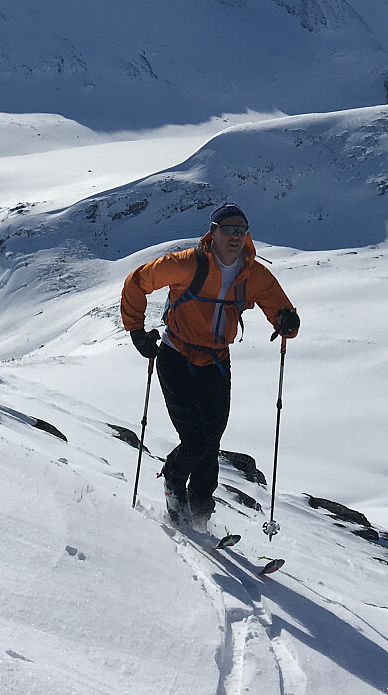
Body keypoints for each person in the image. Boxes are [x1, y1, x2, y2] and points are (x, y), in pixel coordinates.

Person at [120, 203, 299, 528]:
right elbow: (137, 282)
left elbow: (280, 308)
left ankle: (201, 517)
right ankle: (173, 480)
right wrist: (136, 332)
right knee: (197, 442)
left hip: (216, 363)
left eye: (241, 230)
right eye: (229, 229)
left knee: (211, 444)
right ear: (213, 233)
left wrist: (287, 321)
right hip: (176, 357)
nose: (236, 236)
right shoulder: (187, 264)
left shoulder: (253, 274)